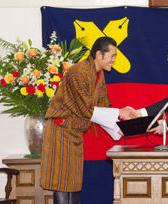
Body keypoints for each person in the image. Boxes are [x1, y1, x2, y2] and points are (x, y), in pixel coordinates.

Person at [40, 36, 135, 204]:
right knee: (62, 183)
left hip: (74, 132)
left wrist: (119, 128)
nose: (114, 60)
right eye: (112, 56)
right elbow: (87, 110)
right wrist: (118, 112)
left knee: (74, 183)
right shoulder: (78, 72)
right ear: (99, 54)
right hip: (60, 131)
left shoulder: (99, 75)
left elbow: (104, 107)